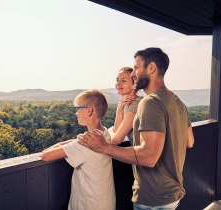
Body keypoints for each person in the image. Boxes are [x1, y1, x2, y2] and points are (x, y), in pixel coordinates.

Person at [78, 47, 194, 210]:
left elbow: (149, 157)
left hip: (153, 198)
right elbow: (189, 141)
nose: (133, 74)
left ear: (151, 68)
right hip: (173, 193)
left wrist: (104, 147)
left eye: (137, 67)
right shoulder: (177, 102)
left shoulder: (150, 103)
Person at [41, 89, 115, 210]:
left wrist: (67, 142)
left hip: (90, 205)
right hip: (105, 203)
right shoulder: (104, 133)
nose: (76, 113)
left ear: (89, 110)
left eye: (77, 108)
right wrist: (73, 141)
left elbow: (46, 155)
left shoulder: (84, 143)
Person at [111, 67, 143, 210]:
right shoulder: (128, 103)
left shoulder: (135, 104)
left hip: (143, 160)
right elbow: (119, 131)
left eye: (124, 80)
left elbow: (116, 139)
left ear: (134, 84)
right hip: (138, 160)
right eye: (117, 80)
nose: (118, 83)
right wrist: (119, 108)